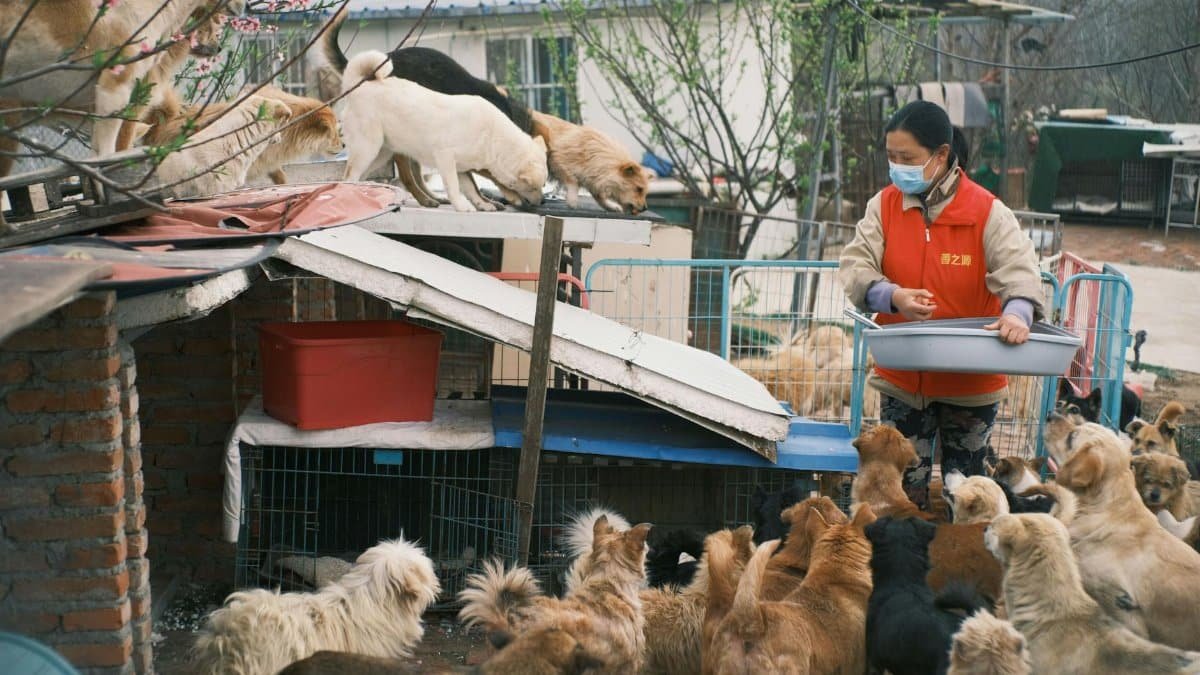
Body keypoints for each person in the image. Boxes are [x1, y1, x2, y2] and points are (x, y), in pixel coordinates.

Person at [839, 100, 1045, 510]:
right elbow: (856, 264)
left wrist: (1017, 313)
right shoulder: (884, 206)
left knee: (966, 496)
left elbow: (1020, 269)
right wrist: (891, 296)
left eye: (907, 158)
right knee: (898, 497)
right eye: (891, 157)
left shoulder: (986, 211)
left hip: (971, 384)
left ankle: (962, 569)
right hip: (902, 379)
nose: (897, 167)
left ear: (941, 156)